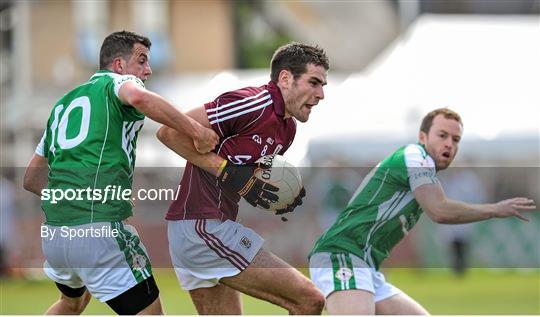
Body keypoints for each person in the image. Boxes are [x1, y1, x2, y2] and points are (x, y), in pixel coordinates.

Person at [23, 31, 218, 315]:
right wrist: (196, 130)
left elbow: (31, 179)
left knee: (72, 303)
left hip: (55, 234)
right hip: (97, 231)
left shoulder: (62, 106)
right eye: (141, 61)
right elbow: (139, 97)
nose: (147, 70)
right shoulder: (116, 83)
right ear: (118, 65)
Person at [308, 108, 536, 315]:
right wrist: (495, 209)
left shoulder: (424, 171)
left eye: (456, 140)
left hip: (364, 265)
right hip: (341, 255)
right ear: (422, 137)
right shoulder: (414, 156)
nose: (449, 144)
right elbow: (439, 210)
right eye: (442, 135)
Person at [156, 42, 328, 314]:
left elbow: (246, 179)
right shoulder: (251, 104)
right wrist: (226, 171)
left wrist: (278, 196)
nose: (321, 94)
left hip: (206, 227)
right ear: (285, 78)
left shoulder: (287, 130)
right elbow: (168, 133)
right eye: (314, 82)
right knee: (310, 300)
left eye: (323, 86)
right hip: (202, 227)